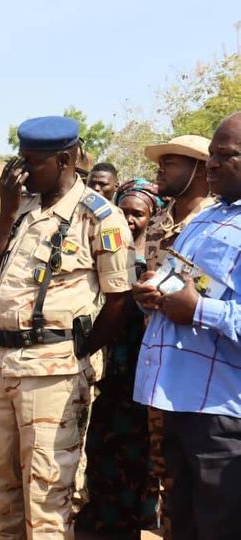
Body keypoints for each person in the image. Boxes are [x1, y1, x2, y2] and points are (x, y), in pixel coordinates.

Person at [0, 116, 133, 537]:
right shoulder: (22, 209)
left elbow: (120, 300)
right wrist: (7, 210)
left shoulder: (100, 217)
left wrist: (79, 352)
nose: (20, 173)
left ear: (64, 160)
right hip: (2, 362)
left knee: (46, 493)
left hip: (54, 372)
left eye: (31, 163)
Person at [133, 112, 241, 540]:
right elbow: (185, 285)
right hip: (174, 402)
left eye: (225, 155)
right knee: (184, 525)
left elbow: (198, 304)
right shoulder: (203, 218)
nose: (211, 164)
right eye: (211, 155)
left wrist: (196, 310)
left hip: (220, 416)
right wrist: (155, 297)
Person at [76, 178, 165, 537]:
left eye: (138, 214)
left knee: (138, 466)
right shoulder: (108, 257)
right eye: (123, 211)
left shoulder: (156, 265)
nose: (129, 219)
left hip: (144, 386)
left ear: (152, 217)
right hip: (112, 379)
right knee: (99, 453)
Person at [139, 133, 212, 540]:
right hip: (158, 364)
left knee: (204, 483)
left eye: (171, 163)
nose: (160, 169)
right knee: (167, 471)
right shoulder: (159, 222)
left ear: (198, 170)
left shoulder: (215, 223)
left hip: (201, 373)